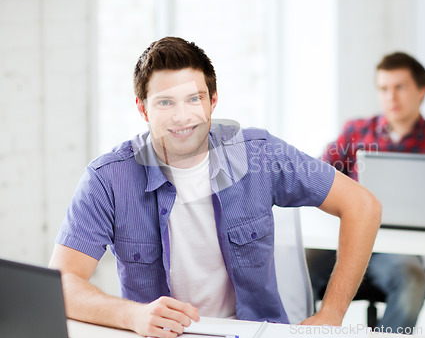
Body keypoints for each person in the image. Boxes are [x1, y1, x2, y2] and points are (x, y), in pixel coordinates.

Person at [49, 36, 381, 338]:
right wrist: (133, 315)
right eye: (166, 102)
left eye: (194, 99)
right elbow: (63, 283)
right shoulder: (108, 179)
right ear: (143, 108)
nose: (182, 117)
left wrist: (332, 312)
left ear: (213, 101)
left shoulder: (261, 154)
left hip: (254, 333)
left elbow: (363, 206)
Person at [306, 52, 425, 333]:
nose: (391, 97)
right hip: (345, 238)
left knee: (413, 280)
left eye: (400, 87)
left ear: (421, 91)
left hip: (397, 249)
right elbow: (318, 174)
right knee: (296, 268)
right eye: (384, 88)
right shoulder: (356, 130)